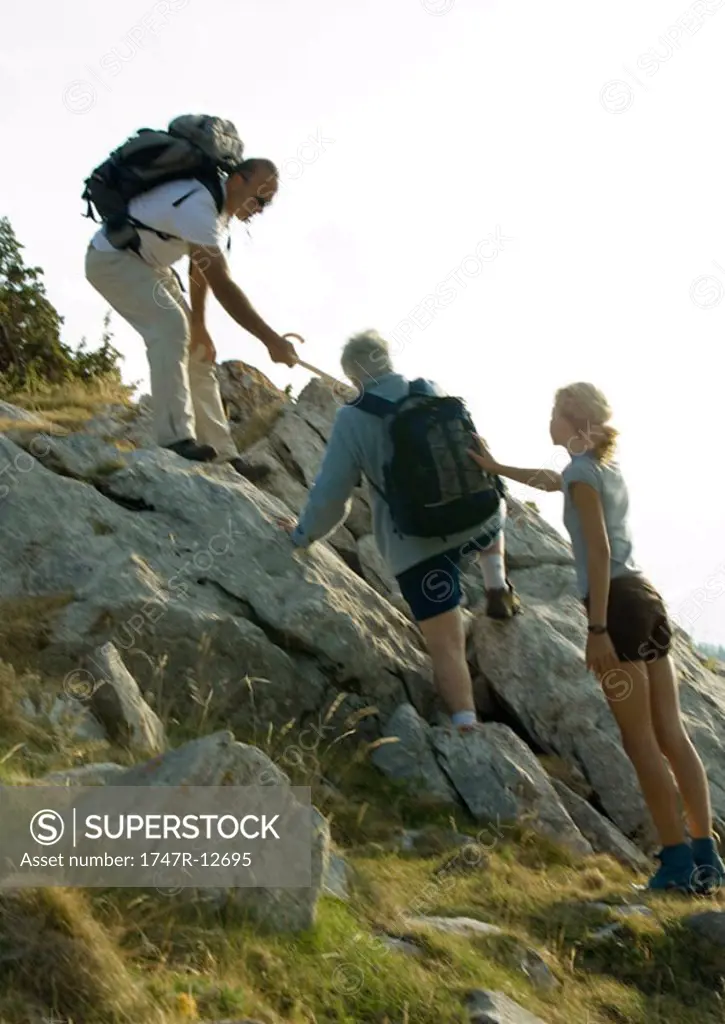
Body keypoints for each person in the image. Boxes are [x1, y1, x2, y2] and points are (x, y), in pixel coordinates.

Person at [468, 381, 724, 893]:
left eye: (554, 411)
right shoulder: (597, 468)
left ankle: (675, 863)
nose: (548, 419)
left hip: (618, 611)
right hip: (646, 600)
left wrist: (597, 630)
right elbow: (552, 481)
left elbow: (599, 551)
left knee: (640, 742)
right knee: (672, 736)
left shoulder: (583, 473)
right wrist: (496, 470)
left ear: (572, 420)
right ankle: (706, 857)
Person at [275, 330, 520, 733]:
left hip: (421, 548)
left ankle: (466, 725)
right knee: (495, 514)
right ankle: (496, 583)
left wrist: (302, 535)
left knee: (446, 645)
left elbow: (333, 493)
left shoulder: (351, 417)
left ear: (352, 375)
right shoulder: (433, 389)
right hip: (479, 519)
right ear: (387, 359)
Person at [85, 157, 301, 481]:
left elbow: (199, 268)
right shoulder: (199, 204)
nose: (260, 209)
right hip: (112, 259)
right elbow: (223, 284)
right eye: (259, 198)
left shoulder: (219, 211)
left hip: (152, 267)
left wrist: (200, 325)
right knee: (170, 328)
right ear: (237, 180)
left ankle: (224, 457)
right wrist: (271, 340)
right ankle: (174, 440)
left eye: (267, 205)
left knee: (198, 353)